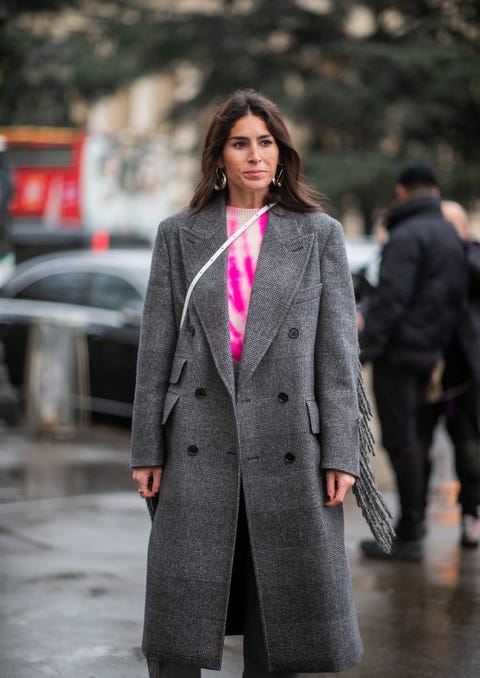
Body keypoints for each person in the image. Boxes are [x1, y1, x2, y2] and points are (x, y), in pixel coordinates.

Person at [130, 89, 392, 678]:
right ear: (219, 156)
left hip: (290, 442)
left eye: (265, 143)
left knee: (280, 617)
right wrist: (147, 447)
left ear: (282, 155)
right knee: (180, 617)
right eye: (240, 143)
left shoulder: (317, 234)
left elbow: (337, 353)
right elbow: (156, 350)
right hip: (198, 435)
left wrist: (342, 452)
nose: (254, 155)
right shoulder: (179, 233)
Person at [358, 161, 466, 561]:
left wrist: (363, 351)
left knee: (401, 442)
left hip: (400, 356)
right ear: (435, 192)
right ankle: (412, 526)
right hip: (432, 355)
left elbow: (391, 301)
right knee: (416, 442)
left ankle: (408, 534)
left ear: (402, 191)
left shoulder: (406, 234)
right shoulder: (449, 235)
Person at [417, 200, 480, 548]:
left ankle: (471, 513)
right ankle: (417, 516)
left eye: (449, 226)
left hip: (466, 376)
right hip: (426, 373)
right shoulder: (423, 258)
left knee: (469, 449)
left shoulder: (471, 255)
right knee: (418, 447)